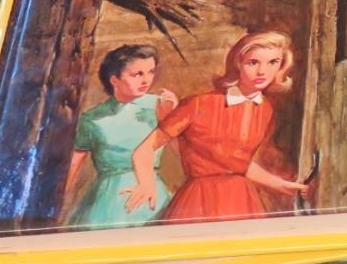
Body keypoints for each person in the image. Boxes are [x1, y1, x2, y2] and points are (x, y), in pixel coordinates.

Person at [123, 31, 307, 223]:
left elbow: (238, 163)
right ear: (238, 63)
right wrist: (146, 184)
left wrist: (283, 186)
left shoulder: (264, 109)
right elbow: (144, 149)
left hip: (241, 200)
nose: (263, 71)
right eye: (253, 63)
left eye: (273, 62)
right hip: (199, 199)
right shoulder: (199, 104)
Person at [60, 44, 178, 227]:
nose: (146, 80)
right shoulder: (91, 119)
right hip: (108, 200)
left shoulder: (160, 106)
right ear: (114, 80)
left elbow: (182, 152)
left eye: (151, 72)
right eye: (137, 74)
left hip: (152, 195)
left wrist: (170, 119)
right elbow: (74, 165)